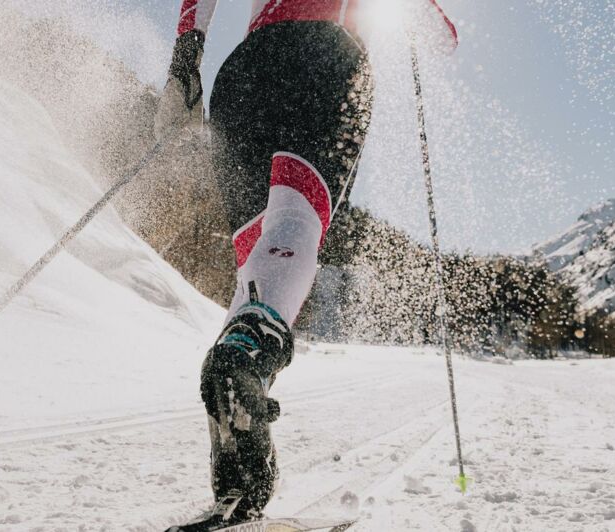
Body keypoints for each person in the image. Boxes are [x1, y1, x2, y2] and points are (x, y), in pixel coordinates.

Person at [155, 1, 456, 529]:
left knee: (258, 258)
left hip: (245, 73)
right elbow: (439, 37)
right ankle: (244, 358)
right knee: (297, 219)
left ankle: (239, 463)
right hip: (328, 57)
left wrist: (185, 59)